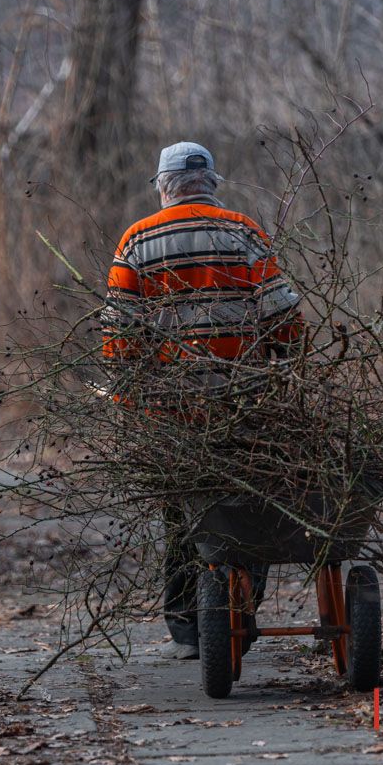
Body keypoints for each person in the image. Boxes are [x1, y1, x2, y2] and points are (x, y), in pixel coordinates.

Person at [101, 142, 303, 659]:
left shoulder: (136, 240)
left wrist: (132, 388)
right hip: (246, 406)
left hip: (171, 414)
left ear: (163, 186)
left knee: (185, 515)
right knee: (247, 508)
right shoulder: (245, 233)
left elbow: (118, 340)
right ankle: (241, 612)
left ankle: (190, 631)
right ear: (212, 183)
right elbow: (287, 322)